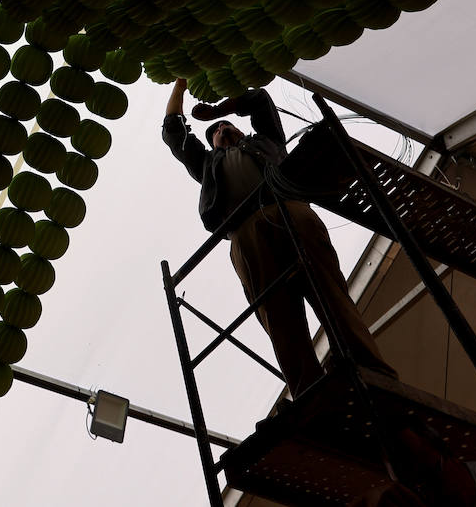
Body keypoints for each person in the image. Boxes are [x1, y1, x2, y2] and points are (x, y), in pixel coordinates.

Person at [161, 78, 395, 395]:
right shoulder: (206, 165)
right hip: (244, 232)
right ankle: (306, 388)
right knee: (277, 314)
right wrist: (180, 85)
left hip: (289, 209)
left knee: (328, 288)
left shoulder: (268, 142)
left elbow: (260, 100)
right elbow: (175, 134)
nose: (222, 129)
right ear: (211, 143)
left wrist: (221, 107)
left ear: (244, 130)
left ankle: (366, 364)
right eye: (215, 131)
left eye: (228, 125)